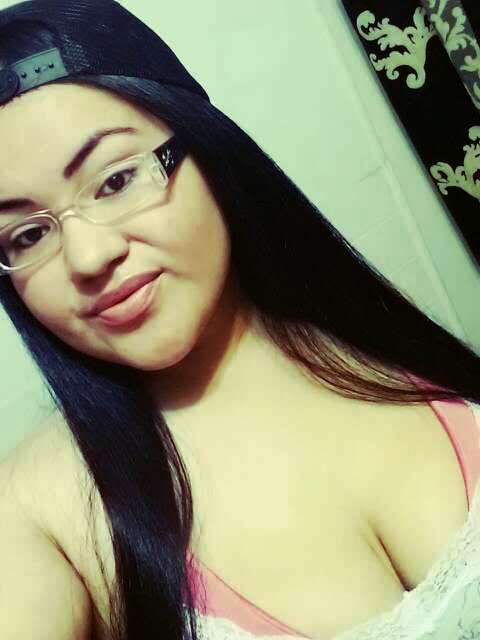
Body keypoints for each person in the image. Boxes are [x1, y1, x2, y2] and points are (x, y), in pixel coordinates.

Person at [0, 2, 479, 640]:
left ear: (206, 149)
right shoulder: (36, 513)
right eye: (28, 235)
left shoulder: (385, 338)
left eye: (115, 181)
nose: (88, 257)